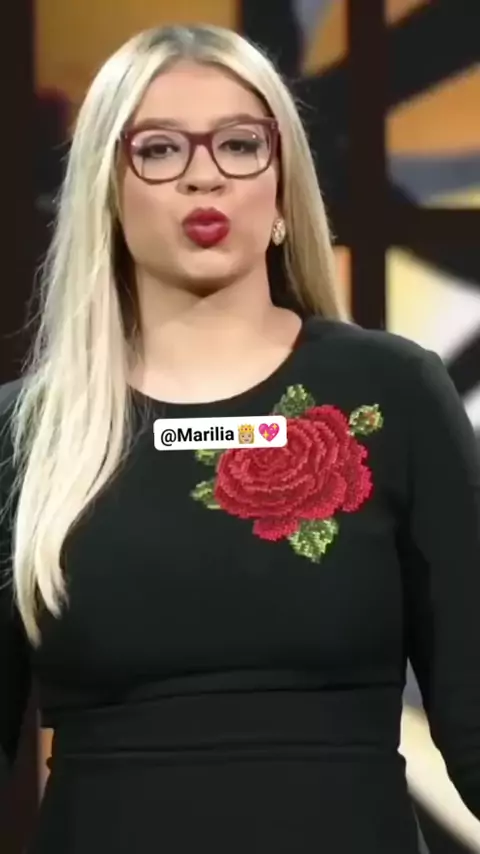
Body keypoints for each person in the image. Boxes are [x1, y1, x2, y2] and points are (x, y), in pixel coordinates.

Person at [1, 23, 479, 854]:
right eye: (159, 149)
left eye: (239, 144)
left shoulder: (393, 394)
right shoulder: (27, 433)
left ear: (283, 188)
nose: (205, 175)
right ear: (106, 194)